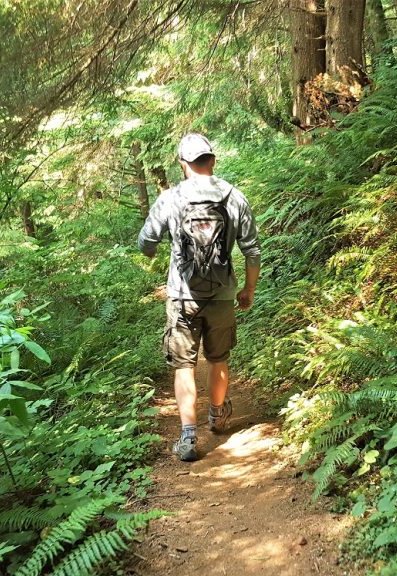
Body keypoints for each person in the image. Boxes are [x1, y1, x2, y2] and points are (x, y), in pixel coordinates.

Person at [137, 133, 261, 462]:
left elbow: (146, 242)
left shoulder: (170, 198)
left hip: (181, 295)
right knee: (218, 359)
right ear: (213, 161)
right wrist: (248, 290)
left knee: (183, 365)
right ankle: (218, 415)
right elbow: (252, 252)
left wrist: (154, 251)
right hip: (222, 296)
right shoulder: (234, 197)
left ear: (183, 165)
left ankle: (189, 436)